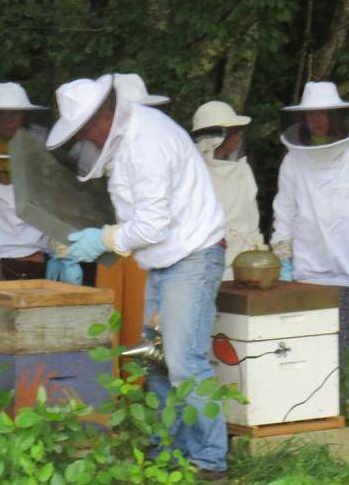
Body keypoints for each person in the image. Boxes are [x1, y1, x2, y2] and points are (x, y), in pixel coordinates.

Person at [47, 76, 229, 477]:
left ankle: (210, 459)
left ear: (102, 116)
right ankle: (167, 449)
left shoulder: (147, 143)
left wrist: (104, 239)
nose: (84, 140)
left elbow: (151, 226)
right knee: (157, 361)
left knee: (184, 361)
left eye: (83, 130)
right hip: (166, 260)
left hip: (192, 256)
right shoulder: (129, 138)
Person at [271, 81, 349, 365]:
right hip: (306, 271)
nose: (317, 120)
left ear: (336, 116)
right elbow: (284, 213)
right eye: (311, 114)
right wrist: (283, 260)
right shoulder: (293, 161)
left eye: (323, 113)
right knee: (307, 356)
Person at [0, 82, 81, 283]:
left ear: (24, 115)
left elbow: (58, 206)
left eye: (13, 113)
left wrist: (65, 254)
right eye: (1, 114)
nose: (8, 120)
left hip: (40, 257)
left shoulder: (44, 154)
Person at [191, 101, 264, 280]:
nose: (239, 135)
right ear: (219, 136)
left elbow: (251, 220)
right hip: (206, 270)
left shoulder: (242, 170)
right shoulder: (194, 174)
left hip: (246, 267)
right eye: (235, 131)